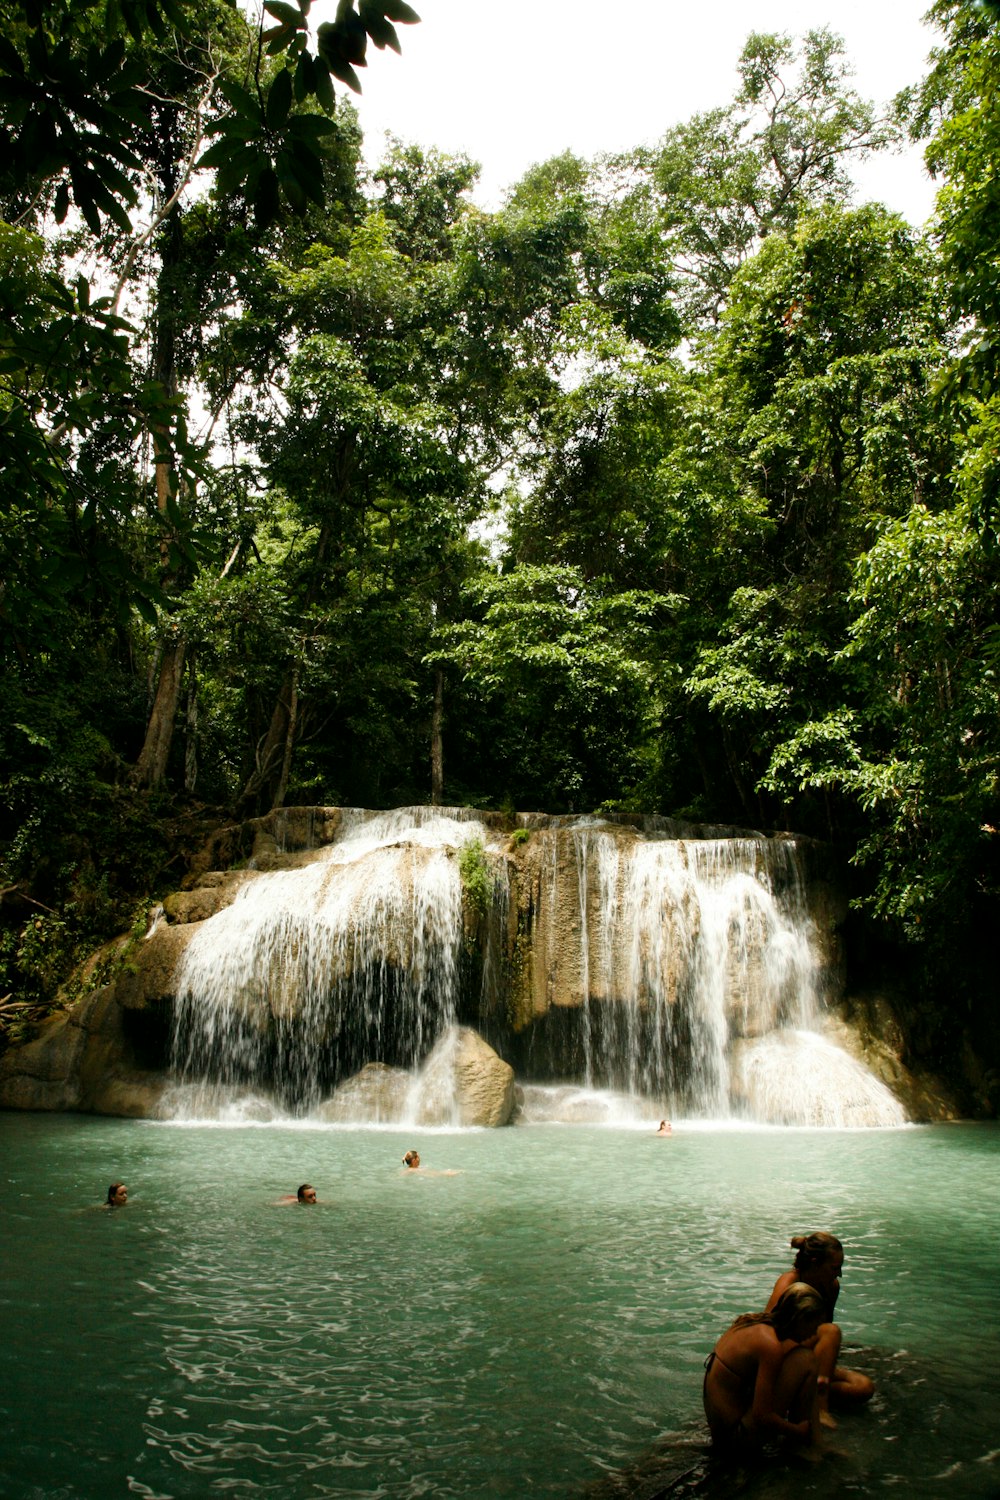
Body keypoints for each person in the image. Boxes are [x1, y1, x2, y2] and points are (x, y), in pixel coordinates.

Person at [765, 1232, 874, 1426]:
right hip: (784, 1356)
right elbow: (767, 1331)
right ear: (815, 1262)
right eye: (834, 1267)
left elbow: (821, 1326)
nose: (839, 1273)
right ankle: (820, 1408)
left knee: (863, 1388)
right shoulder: (789, 1283)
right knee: (831, 1331)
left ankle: (804, 1392)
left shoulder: (831, 1287)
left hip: (810, 1357)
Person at [703, 1282, 827, 1452]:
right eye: (814, 1326)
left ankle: (813, 1441)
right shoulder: (770, 1346)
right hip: (735, 1440)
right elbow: (761, 1416)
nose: (814, 1333)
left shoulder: (752, 1323)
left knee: (800, 1358)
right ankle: (806, 1446)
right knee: (806, 1360)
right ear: (800, 1319)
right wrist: (796, 1430)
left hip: (722, 1432)